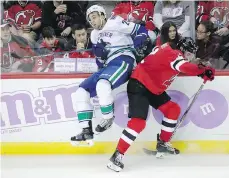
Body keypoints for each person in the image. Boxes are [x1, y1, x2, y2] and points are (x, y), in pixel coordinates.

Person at [107, 22, 215, 172]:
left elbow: (183, 66)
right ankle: (117, 156)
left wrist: (200, 71)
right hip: (139, 84)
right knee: (138, 122)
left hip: (151, 87)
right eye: (190, 53)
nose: (191, 57)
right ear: (183, 50)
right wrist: (202, 70)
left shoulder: (169, 50)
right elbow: (183, 66)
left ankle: (163, 144)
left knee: (172, 109)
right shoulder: (173, 54)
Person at [70, 5, 149, 146]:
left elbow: (141, 30)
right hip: (109, 65)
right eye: (90, 19)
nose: (92, 21)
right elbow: (100, 63)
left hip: (124, 59)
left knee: (102, 84)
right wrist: (100, 55)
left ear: (102, 15)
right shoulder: (94, 35)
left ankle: (108, 118)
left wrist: (138, 42)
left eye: (94, 17)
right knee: (81, 91)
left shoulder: (115, 22)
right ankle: (86, 130)